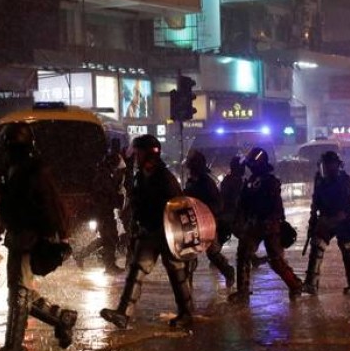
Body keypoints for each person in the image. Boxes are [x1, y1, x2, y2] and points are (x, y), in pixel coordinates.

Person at [0, 123, 78, 351]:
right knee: (21, 292)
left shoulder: (34, 172)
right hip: (18, 236)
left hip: (30, 238)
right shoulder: (12, 171)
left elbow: (53, 208)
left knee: (19, 292)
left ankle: (13, 347)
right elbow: (6, 208)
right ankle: (62, 318)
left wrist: (58, 237)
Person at [100, 134, 196, 329]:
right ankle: (123, 313)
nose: (135, 156)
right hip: (149, 231)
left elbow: (178, 206)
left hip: (167, 233)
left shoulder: (164, 177)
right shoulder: (141, 175)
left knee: (177, 274)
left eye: (138, 152)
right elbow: (137, 202)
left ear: (147, 153)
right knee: (136, 270)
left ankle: (186, 314)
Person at [232, 146, 304, 301]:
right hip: (254, 224)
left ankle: (295, 284)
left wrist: (273, 223)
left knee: (276, 260)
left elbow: (276, 205)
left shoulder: (269, 181)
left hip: (269, 224)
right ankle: (243, 291)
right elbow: (243, 203)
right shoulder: (250, 181)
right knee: (243, 255)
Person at [302, 151, 350, 295]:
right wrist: (313, 217)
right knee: (317, 245)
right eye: (325, 164)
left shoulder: (344, 179)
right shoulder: (319, 179)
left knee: (346, 248)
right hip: (326, 218)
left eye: (330, 164)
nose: (327, 168)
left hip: (343, 218)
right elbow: (316, 200)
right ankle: (311, 283)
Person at [182, 149, 235, 288]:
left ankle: (228, 272)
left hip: (207, 223)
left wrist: (205, 211)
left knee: (212, 253)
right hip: (192, 223)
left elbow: (218, 204)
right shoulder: (191, 181)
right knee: (189, 254)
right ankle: (187, 286)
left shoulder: (206, 182)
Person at [76, 139, 127, 273]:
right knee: (109, 238)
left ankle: (86, 256)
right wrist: (117, 198)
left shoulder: (105, 174)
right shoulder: (103, 176)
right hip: (102, 212)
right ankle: (108, 265)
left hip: (104, 211)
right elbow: (107, 195)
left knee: (107, 238)